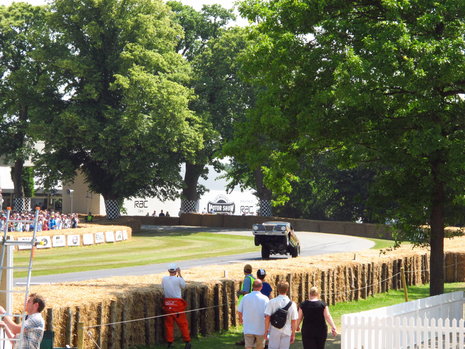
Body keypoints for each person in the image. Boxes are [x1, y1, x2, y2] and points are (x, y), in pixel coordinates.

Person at [161, 263, 191, 349]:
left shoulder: (164, 279)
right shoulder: (178, 280)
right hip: (177, 304)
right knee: (183, 324)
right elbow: (184, 286)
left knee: (168, 325)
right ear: (176, 270)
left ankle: (170, 343)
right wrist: (180, 274)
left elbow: (163, 287)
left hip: (167, 304)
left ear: (168, 270)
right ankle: (187, 341)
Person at [264, 282, 298, 349]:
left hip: (274, 330)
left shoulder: (272, 302)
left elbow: (267, 318)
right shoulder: (292, 304)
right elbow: (294, 320)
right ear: (287, 289)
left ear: (277, 289)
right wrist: (293, 334)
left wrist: (266, 331)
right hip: (286, 331)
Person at [238, 280, 269, 349]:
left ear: (252, 287)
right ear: (261, 287)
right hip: (261, 328)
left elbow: (239, 311)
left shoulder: (245, 297)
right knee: (260, 347)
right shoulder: (265, 299)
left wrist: (241, 320)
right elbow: (268, 315)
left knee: (248, 346)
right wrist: (267, 327)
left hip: (248, 327)